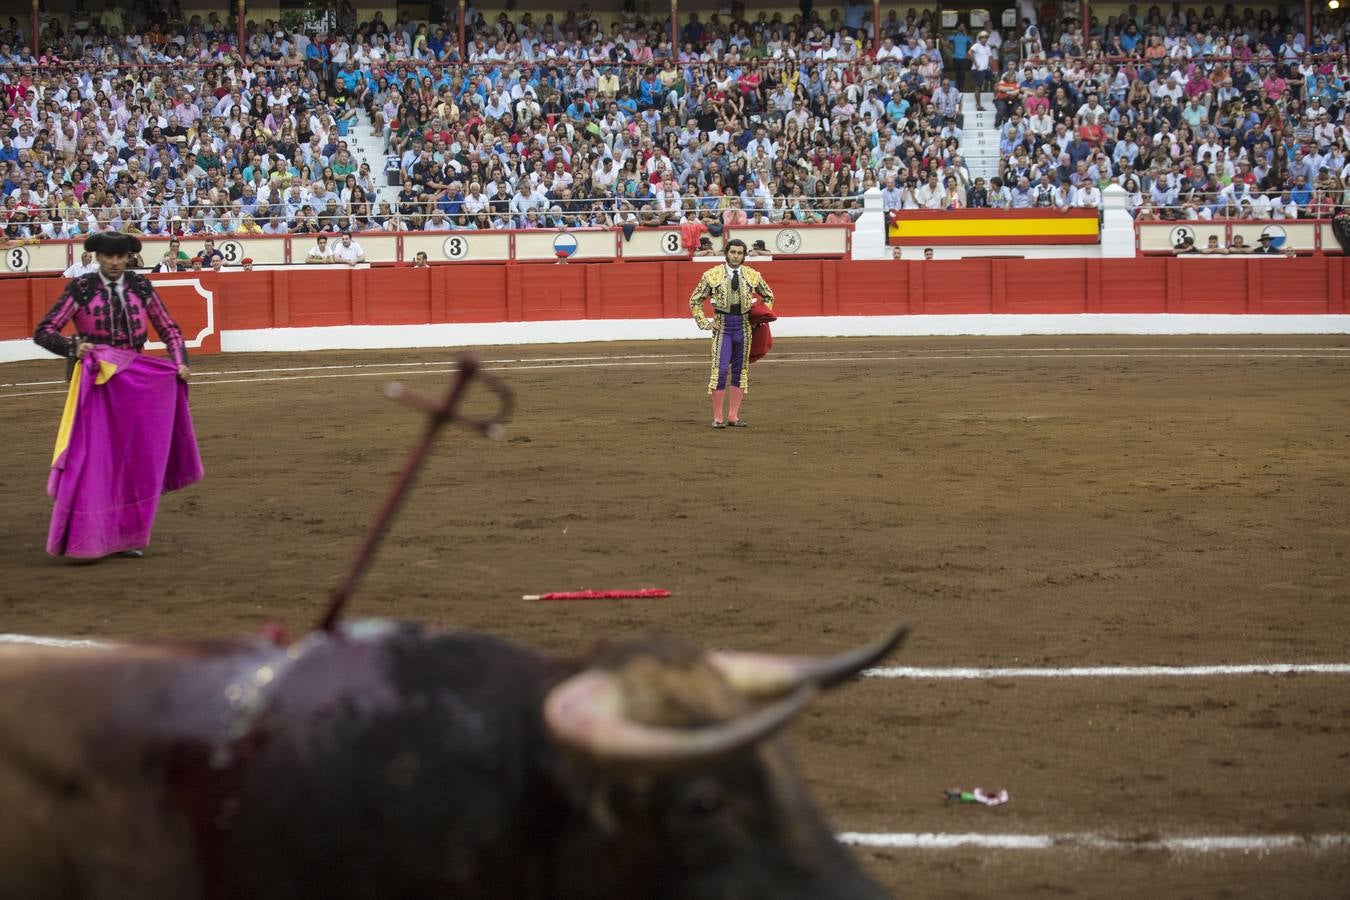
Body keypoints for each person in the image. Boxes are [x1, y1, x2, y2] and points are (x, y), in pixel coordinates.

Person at [33, 232, 196, 559]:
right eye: (109, 257)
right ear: (97, 257)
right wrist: (73, 347)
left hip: (133, 383)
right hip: (92, 384)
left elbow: (170, 330)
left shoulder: (140, 286)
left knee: (130, 460)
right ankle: (86, 534)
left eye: (122, 257)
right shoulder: (81, 288)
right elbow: (45, 331)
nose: (116, 263)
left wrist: (180, 362)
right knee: (92, 458)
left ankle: (125, 535)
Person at [689, 238, 776, 429]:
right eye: (732, 252)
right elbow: (695, 300)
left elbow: (769, 295)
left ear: (744, 255)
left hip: (744, 327)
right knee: (719, 371)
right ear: (726, 253)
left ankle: (733, 416)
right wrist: (704, 322)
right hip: (723, 327)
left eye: (739, 253)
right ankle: (718, 417)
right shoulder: (712, 275)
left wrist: (760, 316)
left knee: (740, 371)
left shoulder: (752, 275)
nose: (736, 256)